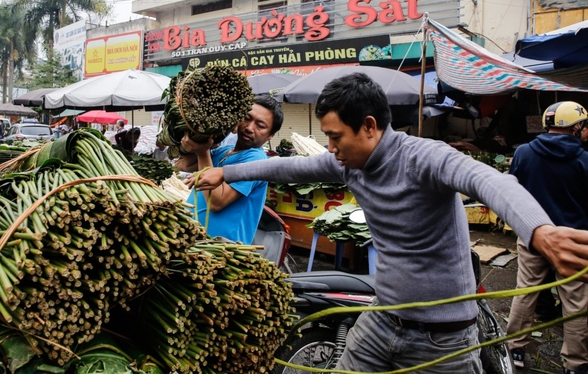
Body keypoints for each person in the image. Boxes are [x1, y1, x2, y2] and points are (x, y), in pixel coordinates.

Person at [189, 73, 588, 373]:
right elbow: (288, 166)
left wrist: (539, 229)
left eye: (335, 136)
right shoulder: (348, 162)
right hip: (382, 318)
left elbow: (490, 181)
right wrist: (226, 174)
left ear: (368, 126)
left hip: (444, 339)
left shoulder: (426, 157)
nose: (330, 148)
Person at [505, 101, 588, 374]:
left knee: (526, 291)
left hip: (532, 234)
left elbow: (514, 190)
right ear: (576, 127)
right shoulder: (584, 160)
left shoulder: (523, 153)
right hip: (573, 241)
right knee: (576, 302)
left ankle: (514, 349)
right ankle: (575, 365)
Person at [180, 95, 283, 244]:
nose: (249, 128)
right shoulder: (224, 150)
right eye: (247, 118)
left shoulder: (256, 159)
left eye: (260, 126)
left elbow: (216, 202)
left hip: (221, 250)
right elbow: (183, 164)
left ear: (270, 135)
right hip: (195, 242)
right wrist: (203, 136)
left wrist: (203, 152)